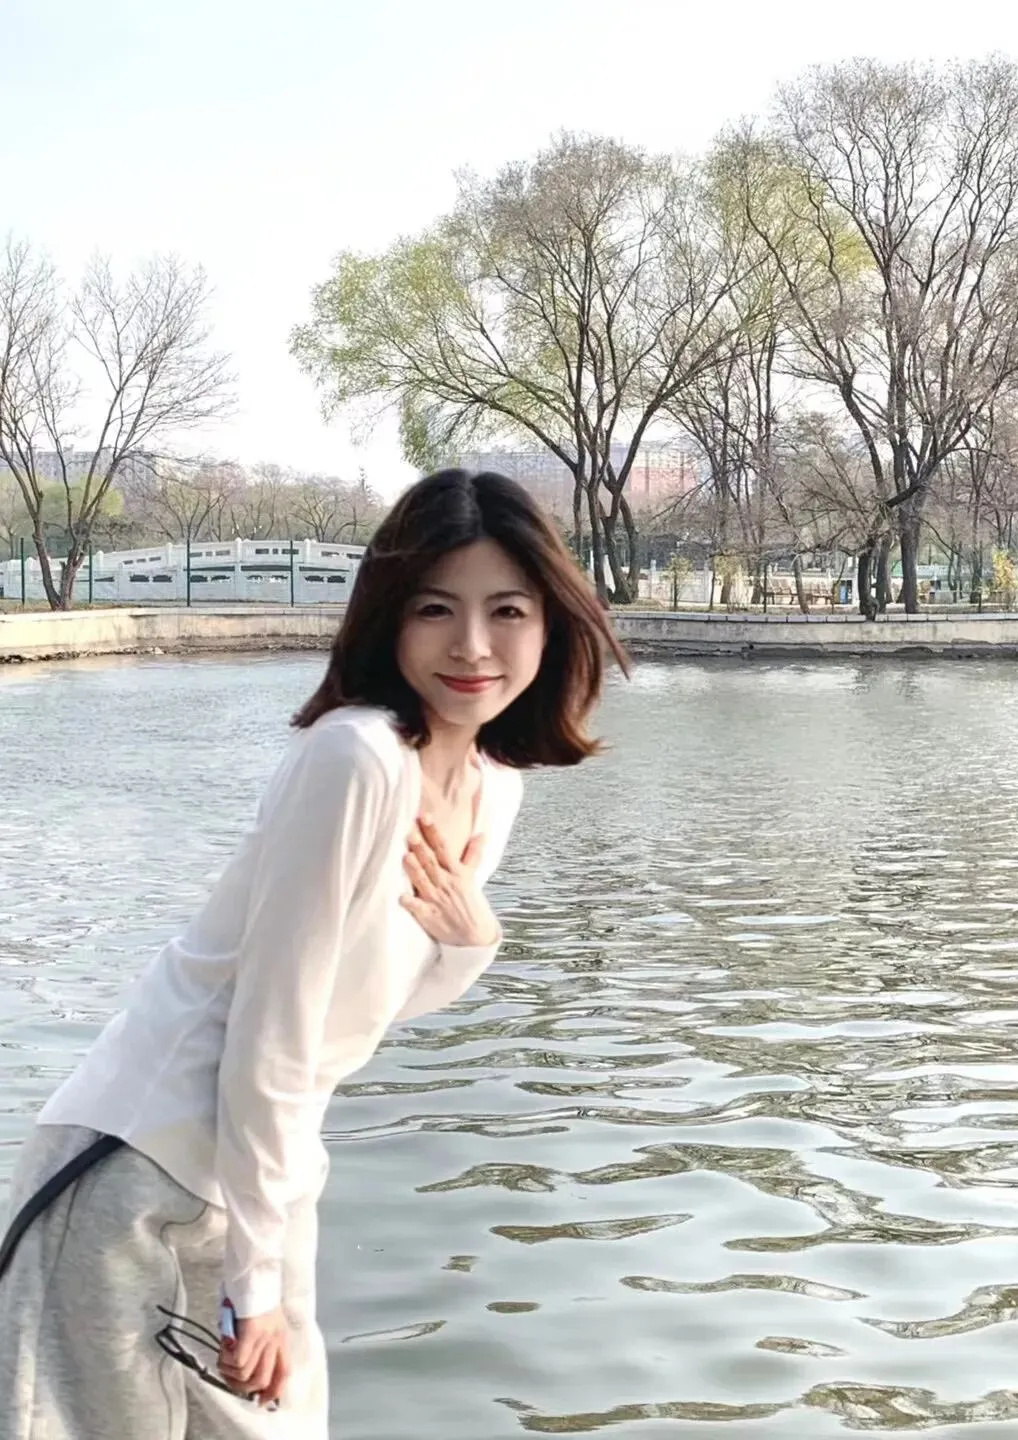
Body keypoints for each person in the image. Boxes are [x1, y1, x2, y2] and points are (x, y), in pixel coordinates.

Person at [0, 469, 628, 1440]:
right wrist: (257, 1289)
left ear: (551, 624)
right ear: (389, 619)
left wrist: (473, 943)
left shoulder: (492, 784)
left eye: (507, 610)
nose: (472, 645)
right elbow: (273, 1034)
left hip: (265, 1173)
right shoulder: (357, 758)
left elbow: (353, 1014)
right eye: (435, 609)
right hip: (136, 1171)